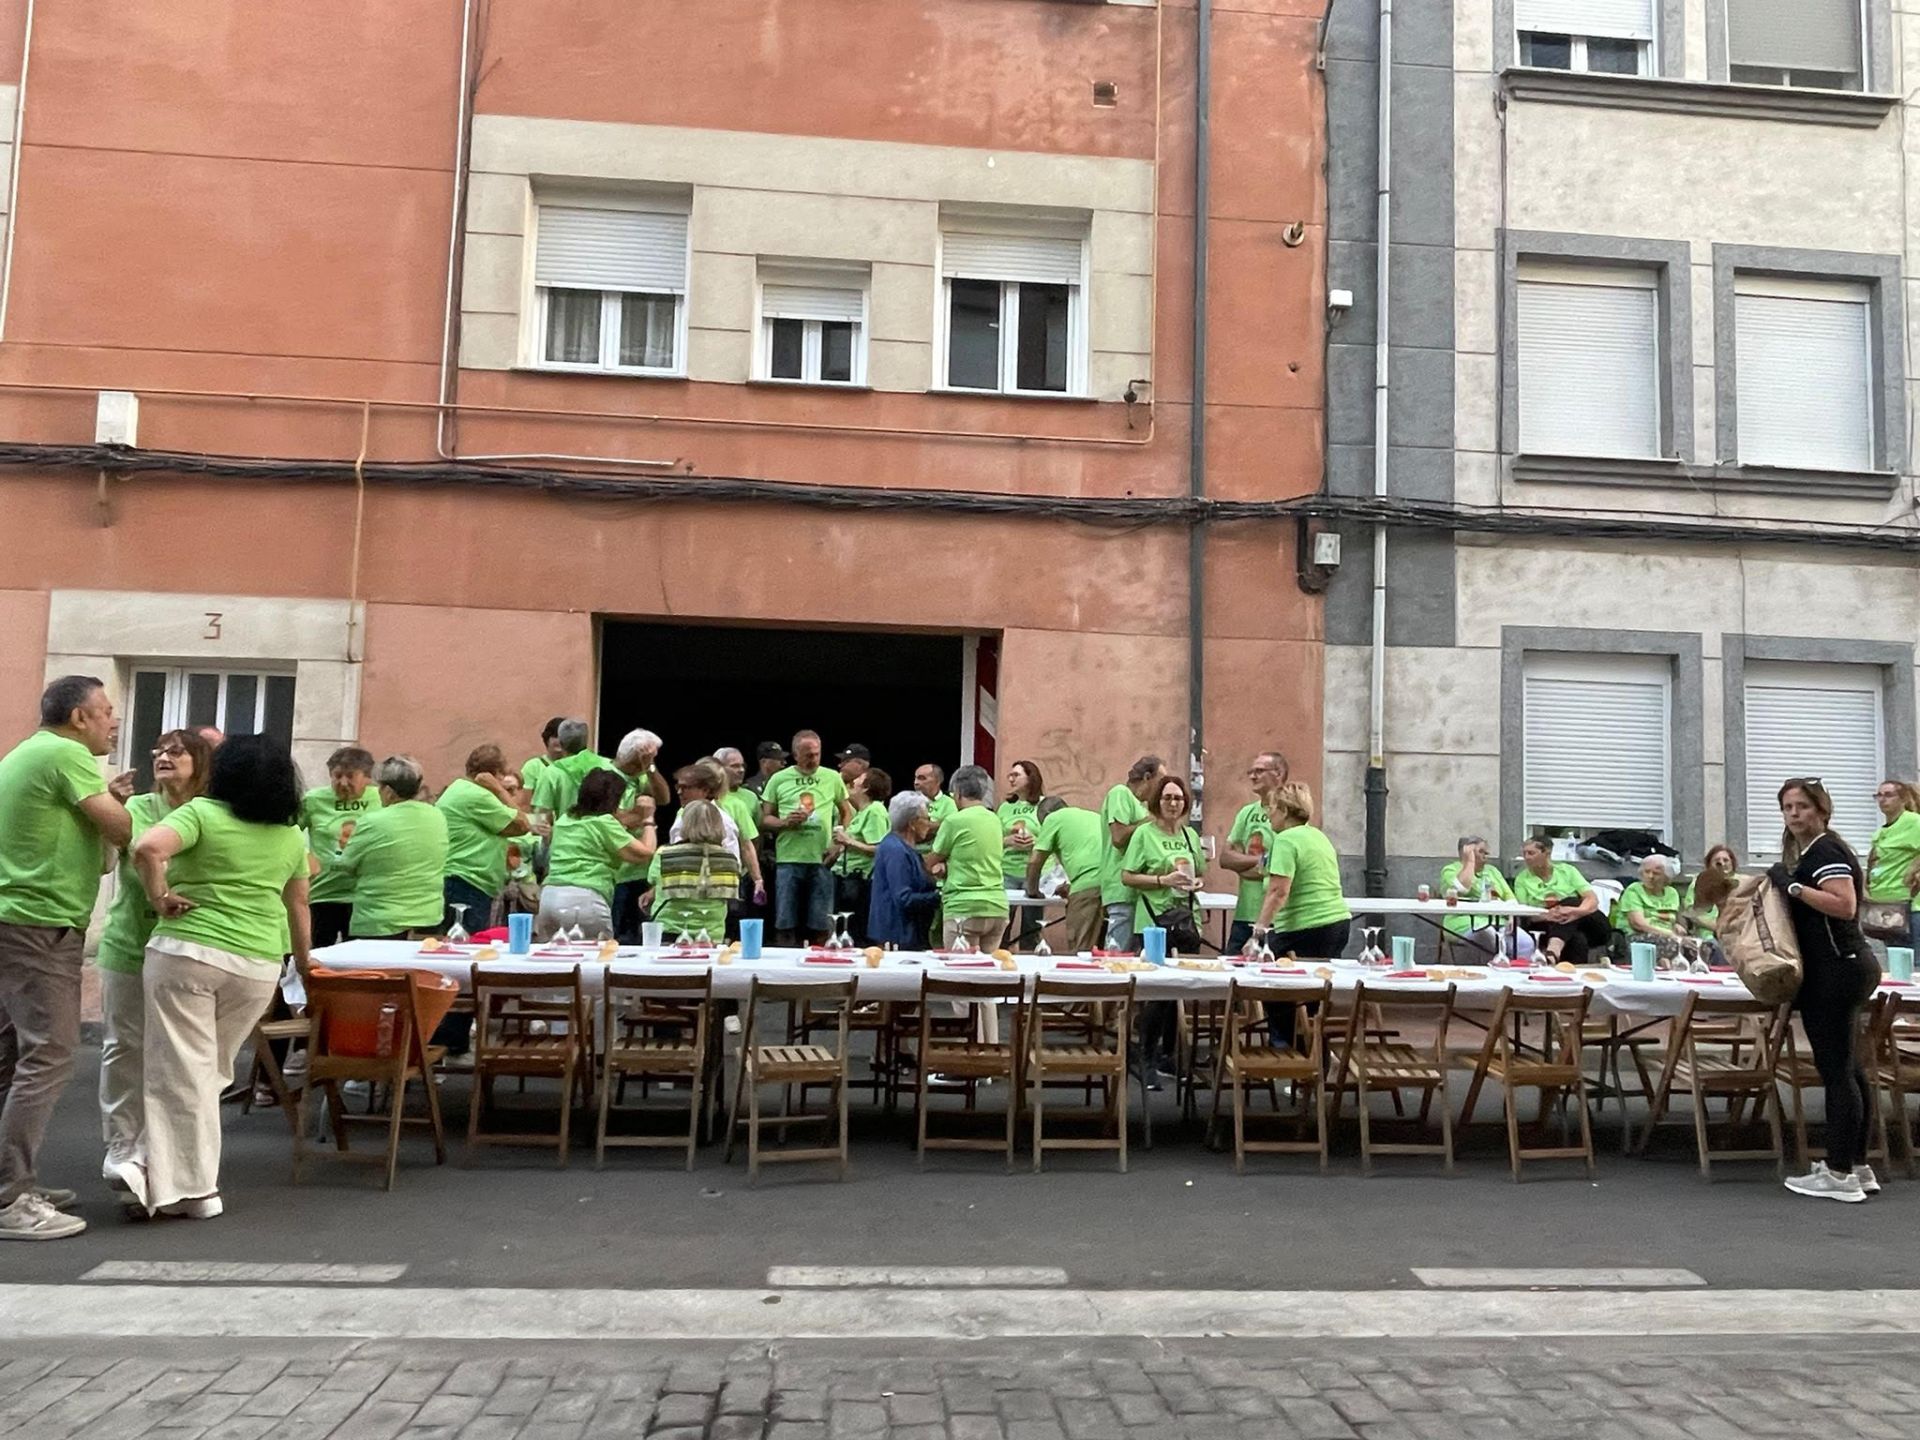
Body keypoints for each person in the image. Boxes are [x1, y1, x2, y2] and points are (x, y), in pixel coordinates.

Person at [129, 733, 311, 1220]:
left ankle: (186, 1185)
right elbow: (297, 906)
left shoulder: (201, 814)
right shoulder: (291, 835)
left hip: (188, 950)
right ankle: (152, 1170)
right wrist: (306, 969)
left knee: (178, 1069)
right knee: (209, 1070)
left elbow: (147, 848)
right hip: (256, 962)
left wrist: (159, 896)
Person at [0, 676, 133, 1240]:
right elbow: (123, 833)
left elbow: (98, 856)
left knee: (12, 1054)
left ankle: (11, 1180)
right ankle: (12, 1198)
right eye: (106, 711)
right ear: (79, 717)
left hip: (15, 917)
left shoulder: (27, 753)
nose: (113, 722)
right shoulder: (67, 755)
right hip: (40, 923)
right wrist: (127, 808)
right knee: (50, 1054)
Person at [94, 727, 212, 1196]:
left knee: (172, 1056)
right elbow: (105, 863)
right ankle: (122, 1145)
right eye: (159, 750)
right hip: (129, 941)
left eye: (177, 751)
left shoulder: (210, 813)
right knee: (123, 1045)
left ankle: (157, 1152)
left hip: (186, 946)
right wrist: (107, 815)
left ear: (199, 762)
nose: (164, 757)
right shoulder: (136, 809)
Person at [1773, 778, 1881, 1203]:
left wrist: (1793, 886)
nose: (1794, 814)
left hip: (1837, 968)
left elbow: (1845, 904)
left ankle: (1838, 1174)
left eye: (1801, 806)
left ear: (1821, 809)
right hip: (1848, 967)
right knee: (1851, 1069)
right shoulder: (1816, 851)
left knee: (1837, 1072)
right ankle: (1856, 1164)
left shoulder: (1826, 850)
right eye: (1787, 807)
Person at [337, 757, 449, 939]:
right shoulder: (437, 816)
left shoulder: (371, 822)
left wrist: (338, 851)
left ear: (388, 791)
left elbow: (346, 865)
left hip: (380, 921)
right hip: (429, 918)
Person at [540, 769, 655, 940]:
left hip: (549, 898)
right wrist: (648, 820)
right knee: (597, 959)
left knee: (557, 962)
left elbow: (619, 822)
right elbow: (644, 853)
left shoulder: (565, 820)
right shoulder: (604, 823)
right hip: (584, 899)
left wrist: (635, 814)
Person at [760, 731, 851, 946]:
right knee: (785, 921)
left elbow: (847, 812)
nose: (813, 759)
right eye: (808, 755)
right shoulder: (779, 779)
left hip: (822, 859)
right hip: (788, 860)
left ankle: (822, 971)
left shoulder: (832, 777)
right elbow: (764, 820)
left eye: (817, 754)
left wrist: (839, 840)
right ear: (795, 755)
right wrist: (785, 822)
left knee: (822, 923)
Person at [438, 745, 533, 933]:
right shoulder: (478, 795)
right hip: (468, 880)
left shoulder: (458, 788)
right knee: (467, 948)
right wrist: (499, 790)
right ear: (495, 774)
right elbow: (522, 824)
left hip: (460, 879)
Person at [1250, 781, 1351, 959]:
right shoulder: (1318, 835)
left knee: (1260, 964)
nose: (1267, 814)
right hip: (1337, 921)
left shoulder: (1285, 840)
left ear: (1285, 811)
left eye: (1271, 808)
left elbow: (1278, 892)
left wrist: (1258, 933)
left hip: (1306, 925)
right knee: (1319, 978)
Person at [298, 747, 379, 949]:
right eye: (337, 776)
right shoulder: (313, 800)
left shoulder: (381, 799)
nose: (343, 783)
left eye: (350, 776)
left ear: (367, 777)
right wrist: (303, 858)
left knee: (358, 962)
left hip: (362, 896)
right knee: (318, 956)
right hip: (323, 893)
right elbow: (287, 832)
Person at [927, 765, 1008, 951]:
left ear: (958, 792)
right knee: (990, 975)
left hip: (963, 906)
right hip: (997, 905)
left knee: (959, 972)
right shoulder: (995, 819)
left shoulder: (954, 821)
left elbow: (931, 860)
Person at [1121, 775, 1206, 943]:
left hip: (1186, 921)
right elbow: (1127, 877)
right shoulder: (1144, 833)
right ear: (1157, 802)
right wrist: (1163, 880)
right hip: (1153, 919)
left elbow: (1201, 873)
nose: (1173, 804)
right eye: (1167, 798)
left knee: (1185, 967)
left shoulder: (1190, 835)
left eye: (1178, 798)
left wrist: (1197, 882)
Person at [1221, 750, 1288, 955]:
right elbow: (1225, 858)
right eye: (1251, 771)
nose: (1252, 776)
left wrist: (1245, 864)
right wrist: (1261, 862)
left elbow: (1283, 866)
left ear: (1278, 773)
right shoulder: (1247, 812)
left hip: (1276, 918)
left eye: (1259, 771)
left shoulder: (1288, 812)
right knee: (1230, 969)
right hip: (1244, 914)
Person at [649, 800, 740, 941]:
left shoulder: (663, 854)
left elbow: (653, 881)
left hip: (669, 929)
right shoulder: (729, 858)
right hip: (712, 933)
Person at [1511, 837, 1611, 965]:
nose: (1527, 857)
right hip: (1547, 924)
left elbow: (1592, 900)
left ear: (1547, 853)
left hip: (1590, 924)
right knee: (1577, 938)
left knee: (1571, 901)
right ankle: (1563, 965)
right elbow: (1524, 913)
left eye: (1531, 853)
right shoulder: (1522, 879)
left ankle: (1553, 951)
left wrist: (1575, 911)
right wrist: (1547, 915)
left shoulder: (1567, 871)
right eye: (1524, 853)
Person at [1100, 755, 1164, 952]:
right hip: (1121, 888)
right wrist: (1152, 821)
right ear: (1147, 777)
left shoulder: (1141, 807)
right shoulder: (1121, 794)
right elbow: (1118, 837)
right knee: (1117, 951)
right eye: (1160, 781)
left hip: (1140, 891)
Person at [1027, 796, 1106, 953]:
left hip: (1087, 887)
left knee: (1081, 952)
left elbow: (1035, 862)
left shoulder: (1053, 818)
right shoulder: (1093, 816)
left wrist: (1033, 890)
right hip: (1114, 887)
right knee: (1106, 952)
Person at [869, 791, 940, 950]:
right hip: (896, 934)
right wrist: (939, 897)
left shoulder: (904, 848)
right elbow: (903, 898)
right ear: (912, 823)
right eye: (926, 819)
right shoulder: (896, 850)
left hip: (904, 932)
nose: (929, 824)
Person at [832, 767, 892, 947]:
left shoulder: (875, 811)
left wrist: (848, 841)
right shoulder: (863, 812)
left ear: (866, 788)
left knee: (858, 933)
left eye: (858, 779)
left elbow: (880, 849)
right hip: (849, 880)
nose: (853, 782)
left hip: (861, 883)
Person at [712, 750, 768, 929]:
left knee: (733, 924)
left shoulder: (745, 800)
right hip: (700, 875)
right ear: (719, 768)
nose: (741, 770)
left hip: (735, 875)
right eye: (735, 766)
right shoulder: (699, 801)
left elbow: (751, 840)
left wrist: (755, 876)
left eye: (742, 765)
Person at [1438, 835, 1515, 960]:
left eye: (1486, 852)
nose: (1486, 855)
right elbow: (1462, 888)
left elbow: (1510, 897)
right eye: (1481, 851)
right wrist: (1470, 862)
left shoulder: (1492, 871)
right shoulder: (1451, 870)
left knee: (1525, 942)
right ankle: (1491, 974)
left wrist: (1512, 916)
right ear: (1466, 852)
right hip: (1465, 922)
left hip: (1499, 922)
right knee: (1487, 937)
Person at [1865, 781, 1920, 949]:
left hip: (1911, 907)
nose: (1882, 800)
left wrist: (1916, 869)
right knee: (1898, 965)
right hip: (1886, 908)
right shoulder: (1881, 832)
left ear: (1903, 799)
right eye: (1879, 795)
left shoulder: (1914, 822)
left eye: (1888, 795)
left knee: (1915, 966)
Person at [530, 719, 617, 824]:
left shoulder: (552, 772)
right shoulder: (608, 766)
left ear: (561, 743)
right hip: (603, 835)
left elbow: (540, 817)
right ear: (586, 741)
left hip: (567, 836)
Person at [1614, 855, 1682, 959]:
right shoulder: (1633, 890)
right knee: (1672, 944)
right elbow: (1638, 924)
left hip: (1668, 936)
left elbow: (1673, 919)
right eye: (1647, 872)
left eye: (1656, 873)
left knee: (1696, 946)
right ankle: (1663, 964)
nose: (1650, 876)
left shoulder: (1672, 893)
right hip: (1636, 937)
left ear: (1666, 876)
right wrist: (1668, 934)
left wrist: (1676, 926)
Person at [1682, 844, 1739, 940]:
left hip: (1735, 934)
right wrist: (1717, 927)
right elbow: (1692, 914)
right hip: (1707, 934)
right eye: (1717, 861)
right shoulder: (1699, 883)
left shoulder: (1741, 884)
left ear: (1732, 864)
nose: (1722, 863)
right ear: (1709, 865)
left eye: (1726, 860)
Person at [519, 717, 567, 809]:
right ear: (547, 739)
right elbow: (526, 804)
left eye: (563, 737)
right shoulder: (533, 766)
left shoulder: (575, 766)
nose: (559, 741)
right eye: (555, 736)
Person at [912, 764, 956, 845]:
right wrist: (938, 825)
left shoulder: (950, 804)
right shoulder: (908, 802)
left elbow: (950, 829)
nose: (916, 782)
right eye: (915, 778)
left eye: (922, 778)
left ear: (938, 781)